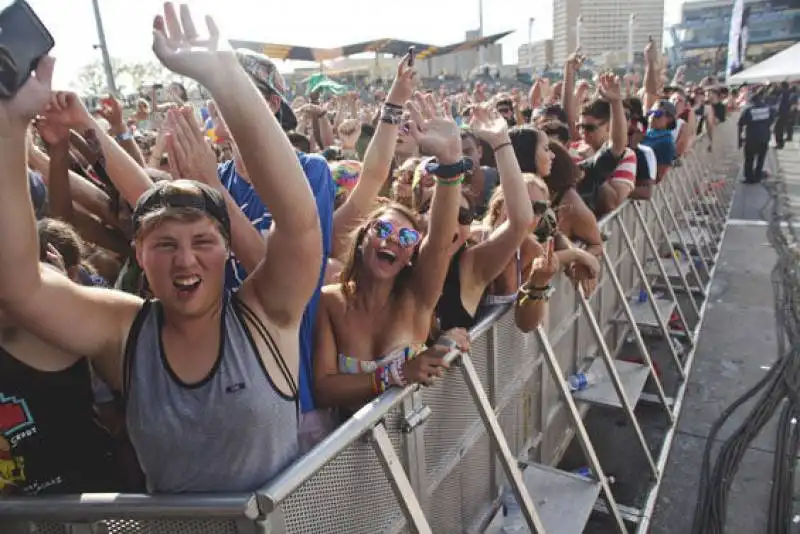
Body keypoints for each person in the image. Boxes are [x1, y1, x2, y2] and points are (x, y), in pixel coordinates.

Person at [0, 4, 321, 493]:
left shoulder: (267, 315)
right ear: (139, 254)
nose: (186, 259)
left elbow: (300, 227)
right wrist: (10, 123)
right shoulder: (123, 334)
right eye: (165, 244)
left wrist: (224, 77)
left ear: (227, 249)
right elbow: (21, 287)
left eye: (202, 241)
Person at [738, 87, 776, 184]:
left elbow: (740, 124)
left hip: (751, 138)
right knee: (761, 158)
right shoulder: (768, 109)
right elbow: (772, 120)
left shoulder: (748, 110)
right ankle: (757, 177)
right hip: (764, 138)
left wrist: (739, 140)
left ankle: (749, 177)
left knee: (749, 159)